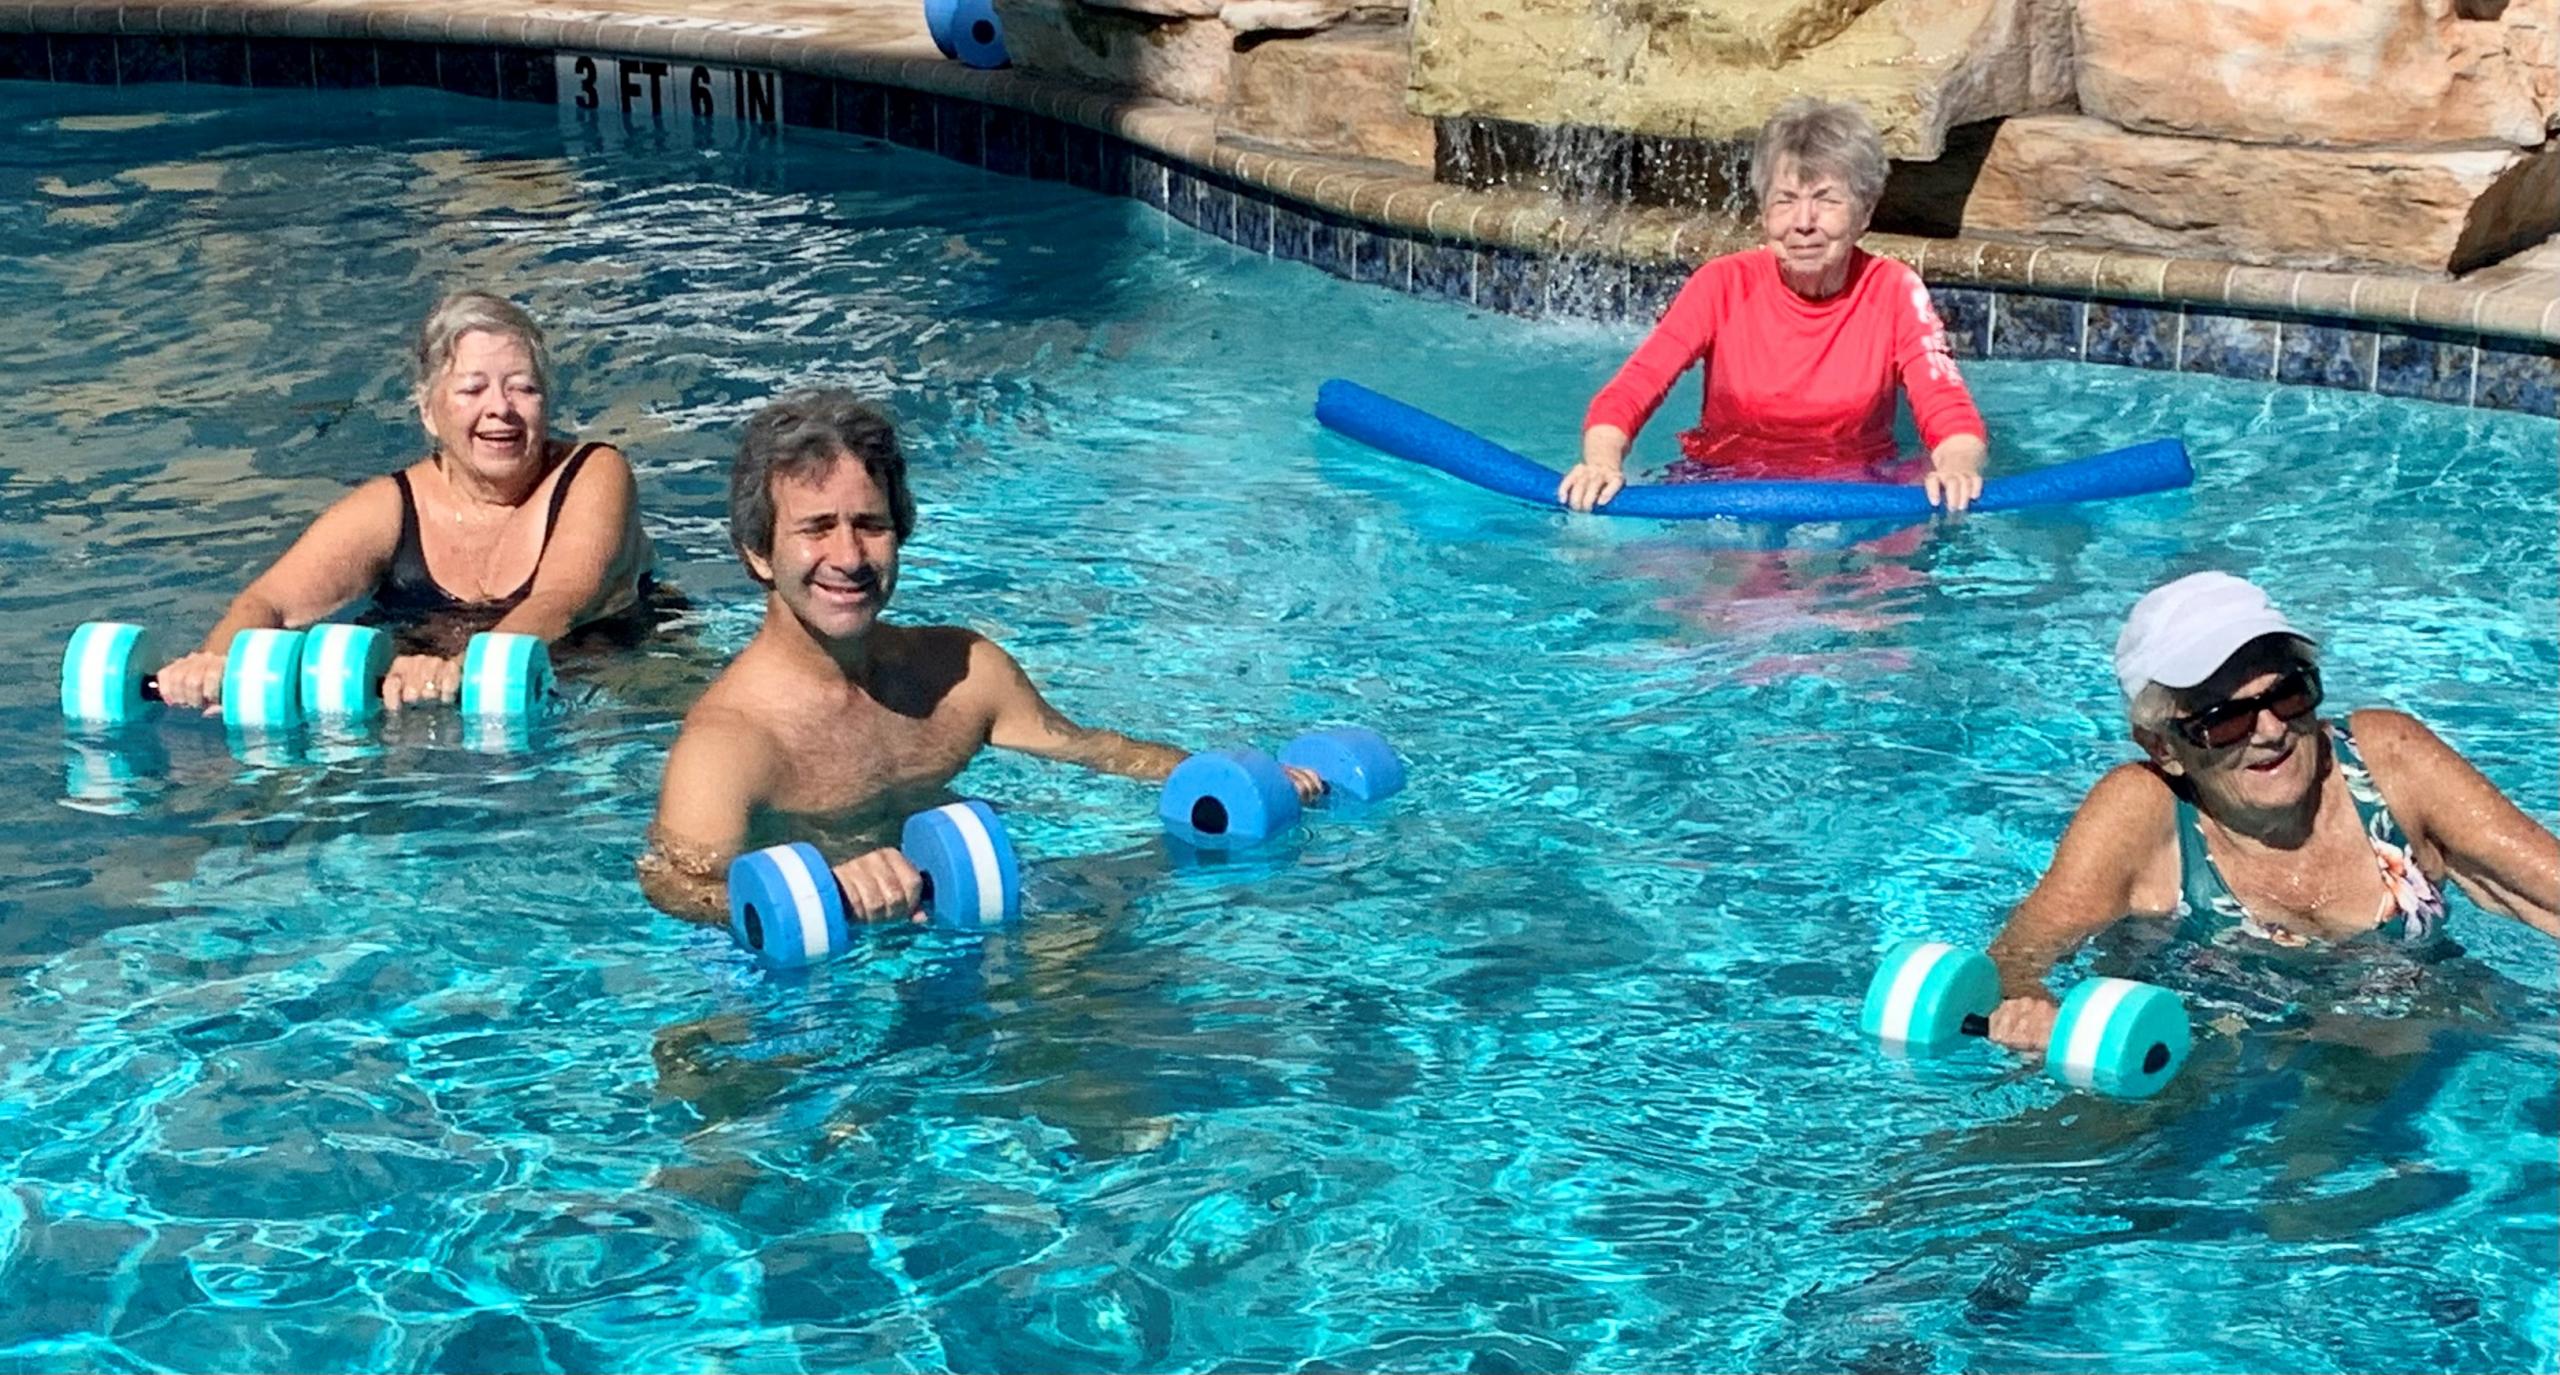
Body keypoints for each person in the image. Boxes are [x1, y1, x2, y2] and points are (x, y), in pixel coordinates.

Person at [638, 390, 1318, 924]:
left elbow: (1097, 751)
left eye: (870, 525)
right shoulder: (728, 745)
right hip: (808, 970)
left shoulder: (960, 671)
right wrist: (821, 890)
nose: (848, 558)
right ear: (758, 552)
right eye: (816, 529)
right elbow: (675, 885)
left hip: (955, 909)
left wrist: (1235, 776)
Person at [1982, 571, 2559, 1053]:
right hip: (2214, 1069)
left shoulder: (2388, 762)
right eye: (2225, 718)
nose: (2270, 730)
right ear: (2164, 747)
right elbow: (2018, 956)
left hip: (2427, 1046)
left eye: (2287, 694)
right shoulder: (2141, 813)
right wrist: (2033, 1010)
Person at [153, 290, 653, 711]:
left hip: (599, 674)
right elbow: (269, 603)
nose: (500, 408)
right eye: (472, 389)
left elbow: (561, 602)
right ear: (429, 412)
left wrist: (455, 672)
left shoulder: (593, 473)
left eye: (524, 388)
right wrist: (215, 663)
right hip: (430, 689)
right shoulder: (391, 505)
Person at [1558, 97, 1990, 514]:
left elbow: (1946, 405)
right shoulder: (1721, 283)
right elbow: (1633, 388)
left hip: (1861, 490)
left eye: (1826, 200)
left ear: (1865, 212)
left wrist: (1957, 469)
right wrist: (1601, 462)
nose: (1803, 222)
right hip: (1726, 486)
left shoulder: (1894, 289)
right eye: (1785, 200)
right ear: (1764, 212)